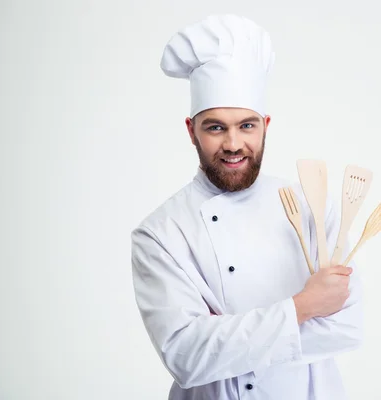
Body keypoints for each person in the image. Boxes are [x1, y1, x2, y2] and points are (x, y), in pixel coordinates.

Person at [130, 14, 364, 400]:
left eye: (247, 125)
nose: (234, 144)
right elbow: (186, 357)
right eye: (215, 127)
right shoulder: (160, 233)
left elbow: (347, 327)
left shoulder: (312, 204)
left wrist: (223, 337)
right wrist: (304, 307)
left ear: (266, 125)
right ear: (192, 130)